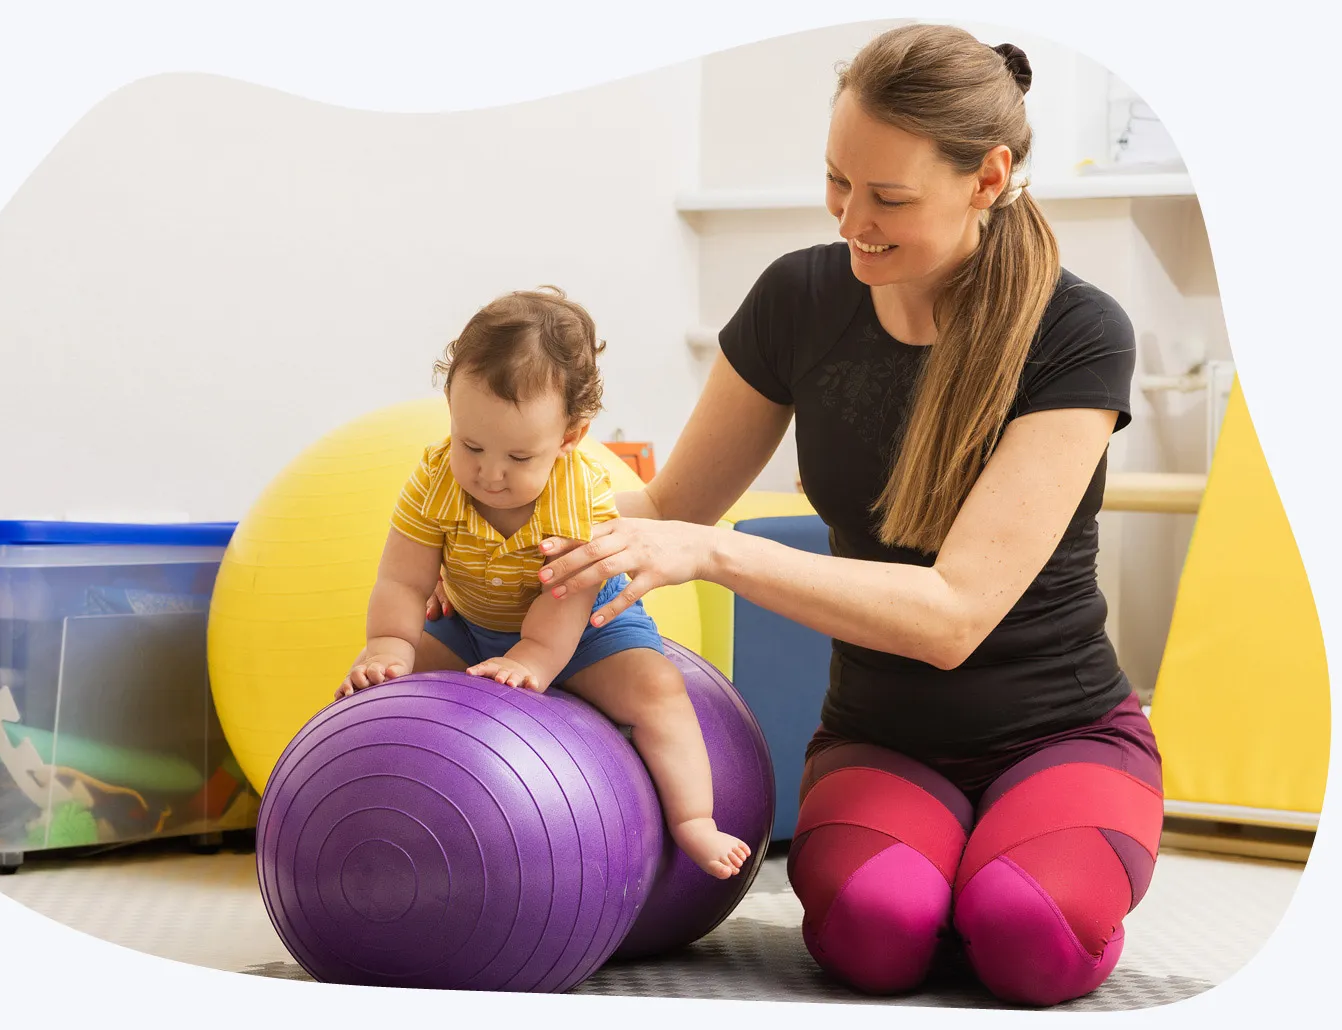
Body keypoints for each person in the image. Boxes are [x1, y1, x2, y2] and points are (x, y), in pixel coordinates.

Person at [508, 24, 1165, 1008]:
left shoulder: (1075, 331)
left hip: (1061, 734)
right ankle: (951, 884)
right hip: (882, 736)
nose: (850, 217)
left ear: (987, 179)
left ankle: (999, 884)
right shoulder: (799, 300)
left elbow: (952, 614)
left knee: (1026, 931)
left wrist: (714, 556)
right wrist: (498, 544)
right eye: (836, 181)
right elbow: (666, 507)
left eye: (888, 197)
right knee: (876, 934)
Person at [338, 286, 753, 880]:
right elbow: (403, 580)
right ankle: (372, 820)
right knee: (381, 689)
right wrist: (389, 645)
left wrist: (533, 657)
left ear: (569, 437)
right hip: (470, 624)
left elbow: (568, 591)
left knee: (657, 691)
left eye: (518, 456)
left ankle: (694, 820)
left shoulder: (578, 493)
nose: (489, 473)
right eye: (471, 444)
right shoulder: (434, 479)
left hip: (581, 625)